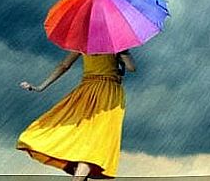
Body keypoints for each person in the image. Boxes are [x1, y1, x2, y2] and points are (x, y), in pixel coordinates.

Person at [16, 49, 136, 181]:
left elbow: (64, 66)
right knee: (97, 140)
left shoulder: (84, 42)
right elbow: (132, 68)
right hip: (108, 94)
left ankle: (78, 172)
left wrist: (40, 87)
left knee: (81, 134)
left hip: (87, 90)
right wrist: (123, 53)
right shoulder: (115, 46)